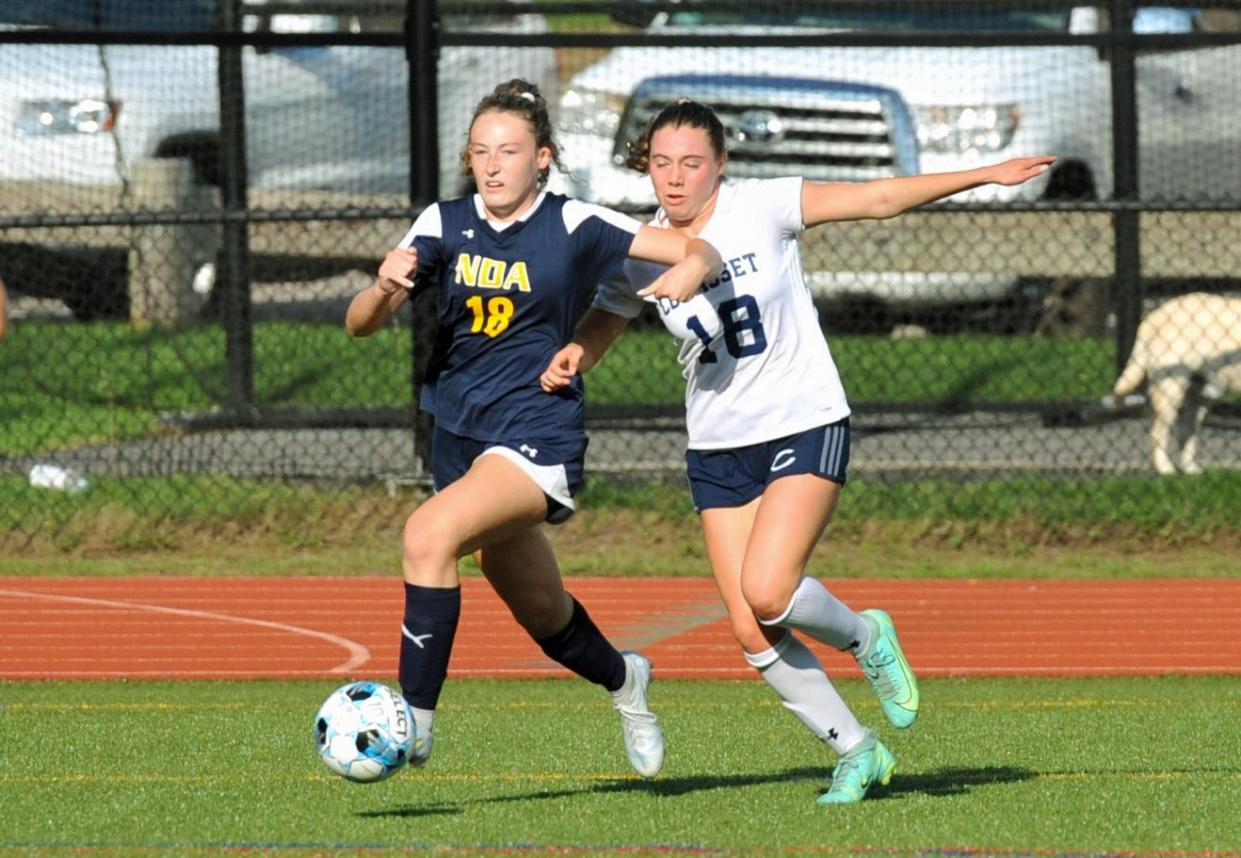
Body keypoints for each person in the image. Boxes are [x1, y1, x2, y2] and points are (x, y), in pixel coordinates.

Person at [541, 99, 1055, 803]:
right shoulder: (641, 246)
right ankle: (857, 751)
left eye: (691, 163)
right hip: (717, 447)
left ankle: (864, 637)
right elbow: (607, 317)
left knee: (769, 590)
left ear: (721, 164)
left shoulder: (762, 206)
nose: (675, 177)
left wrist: (984, 173)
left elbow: (877, 198)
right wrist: (577, 351)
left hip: (802, 420)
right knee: (750, 629)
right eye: (661, 163)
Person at [345, 81, 723, 779]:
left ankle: (414, 726)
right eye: (480, 152)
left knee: (427, 536)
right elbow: (358, 325)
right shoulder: (441, 222)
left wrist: (695, 261)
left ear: (541, 158)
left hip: (536, 431)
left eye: (510, 151)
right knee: (544, 614)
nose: (492, 166)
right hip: (459, 432)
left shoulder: (574, 223)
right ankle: (624, 681)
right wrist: (384, 287)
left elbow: (684, 248)